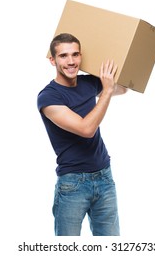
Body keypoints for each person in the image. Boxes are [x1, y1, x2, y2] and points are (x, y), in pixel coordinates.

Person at [37, 33, 127, 236]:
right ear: (52, 60)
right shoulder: (48, 97)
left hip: (104, 177)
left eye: (75, 54)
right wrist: (105, 91)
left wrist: (114, 71)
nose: (71, 61)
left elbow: (122, 89)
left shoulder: (88, 83)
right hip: (72, 184)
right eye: (63, 56)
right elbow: (86, 129)